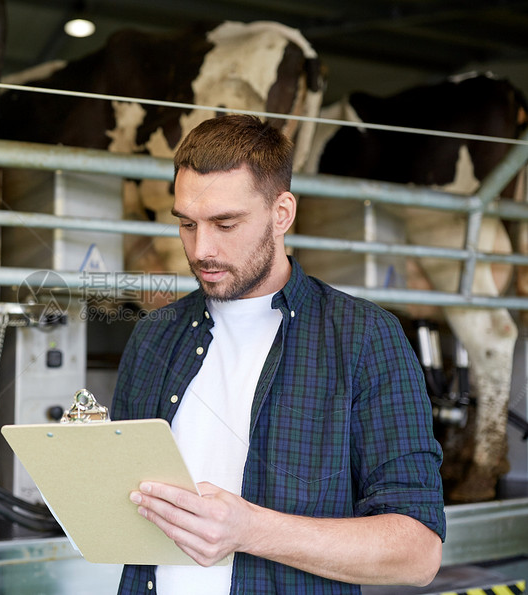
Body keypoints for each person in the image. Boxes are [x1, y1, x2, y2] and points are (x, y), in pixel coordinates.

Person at [110, 114, 445, 594]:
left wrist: (249, 530)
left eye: (225, 223)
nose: (201, 248)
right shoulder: (154, 337)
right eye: (187, 224)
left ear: (282, 212)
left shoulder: (365, 338)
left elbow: (417, 552)